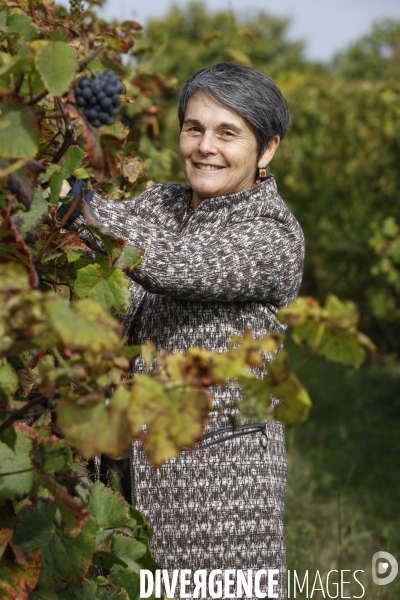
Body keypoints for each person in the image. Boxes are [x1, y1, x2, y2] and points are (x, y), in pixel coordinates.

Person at [76, 63, 304, 599]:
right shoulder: (160, 204)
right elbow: (90, 259)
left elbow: (177, 264)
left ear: (266, 150)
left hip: (218, 503)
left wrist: (78, 204)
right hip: (122, 481)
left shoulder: (272, 234)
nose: (206, 147)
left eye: (228, 133)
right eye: (194, 128)